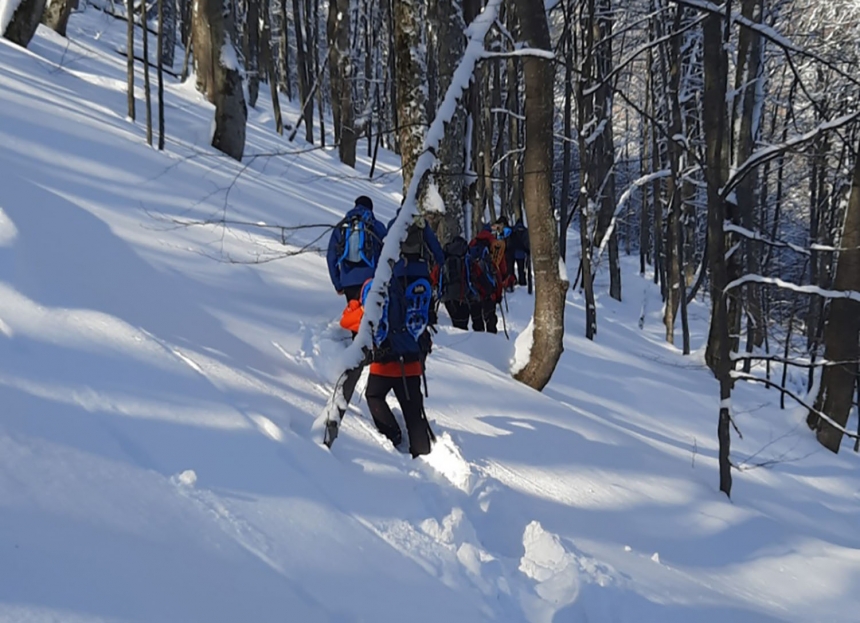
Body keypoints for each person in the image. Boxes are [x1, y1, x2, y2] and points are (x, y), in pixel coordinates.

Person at [341, 277, 435, 457]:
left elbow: (346, 321)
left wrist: (356, 305)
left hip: (384, 365)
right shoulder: (408, 296)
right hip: (412, 364)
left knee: (374, 395)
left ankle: (392, 434)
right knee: (413, 410)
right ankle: (422, 450)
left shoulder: (373, 300)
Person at [326, 196, 388, 304]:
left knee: (354, 315)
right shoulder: (377, 226)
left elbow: (331, 257)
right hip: (372, 281)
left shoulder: (342, 227)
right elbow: (388, 253)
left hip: (348, 281)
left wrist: (338, 284)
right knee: (371, 316)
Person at [468, 228, 505, 333]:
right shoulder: (494, 246)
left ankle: (479, 341)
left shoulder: (472, 245)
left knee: (477, 318)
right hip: (490, 290)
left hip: (474, 289)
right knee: (490, 317)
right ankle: (492, 338)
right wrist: (499, 293)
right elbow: (499, 271)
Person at [433, 235, 471, 330]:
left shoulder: (446, 254)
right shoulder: (465, 255)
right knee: (463, 324)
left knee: (456, 323)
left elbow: (434, 275)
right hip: (462, 294)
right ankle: (466, 342)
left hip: (447, 295)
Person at [509, 217, 530, 286]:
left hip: (513, 252)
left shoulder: (513, 230)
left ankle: (512, 281)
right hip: (522, 253)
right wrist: (527, 251)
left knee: (511, 269)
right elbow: (527, 242)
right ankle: (522, 281)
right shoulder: (525, 231)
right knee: (521, 268)